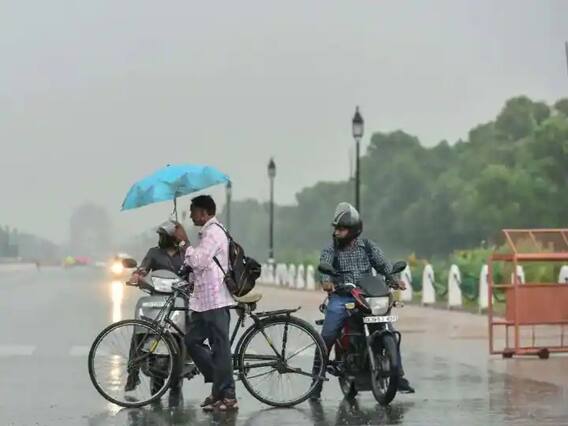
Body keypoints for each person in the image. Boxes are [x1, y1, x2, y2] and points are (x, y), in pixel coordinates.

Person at [311, 202, 415, 400]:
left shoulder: (367, 246)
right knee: (327, 336)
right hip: (342, 297)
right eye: (336, 228)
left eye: (341, 229)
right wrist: (326, 281)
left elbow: (384, 265)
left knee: (388, 329)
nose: (337, 232)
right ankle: (316, 381)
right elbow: (324, 265)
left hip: (368, 296)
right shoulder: (331, 249)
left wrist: (394, 279)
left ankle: (398, 376)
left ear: (353, 230)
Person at [182, 195, 238, 412]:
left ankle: (228, 395)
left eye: (193, 211)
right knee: (192, 341)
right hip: (203, 301)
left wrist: (184, 243)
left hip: (215, 300)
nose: (191, 215)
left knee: (220, 349)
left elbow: (199, 261)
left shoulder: (214, 232)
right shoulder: (206, 233)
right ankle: (219, 385)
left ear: (204, 213)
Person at [124, 219, 189, 398]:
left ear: (174, 237)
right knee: (139, 331)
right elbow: (143, 269)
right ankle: (133, 372)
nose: (161, 239)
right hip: (157, 301)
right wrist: (137, 276)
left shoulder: (186, 253)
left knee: (189, 332)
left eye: (164, 236)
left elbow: (194, 273)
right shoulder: (154, 253)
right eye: (160, 236)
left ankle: (186, 363)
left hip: (180, 301)